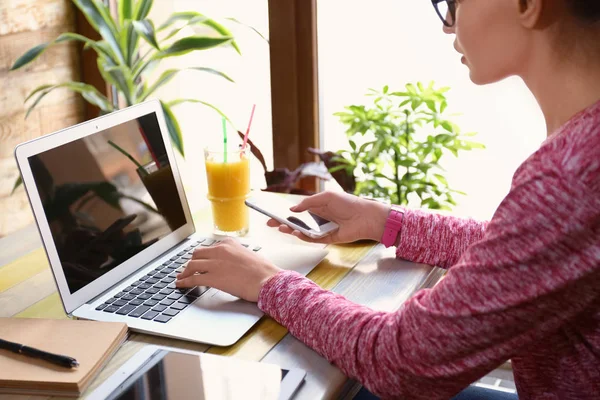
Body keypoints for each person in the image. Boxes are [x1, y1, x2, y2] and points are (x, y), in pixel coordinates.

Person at [176, 0, 600, 398]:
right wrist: (388, 223)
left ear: (527, 4)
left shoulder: (570, 175)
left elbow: (400, 361)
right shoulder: (583, 153)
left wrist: (267, 283)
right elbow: (526, 252)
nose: (447, 23)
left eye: (453, 1)